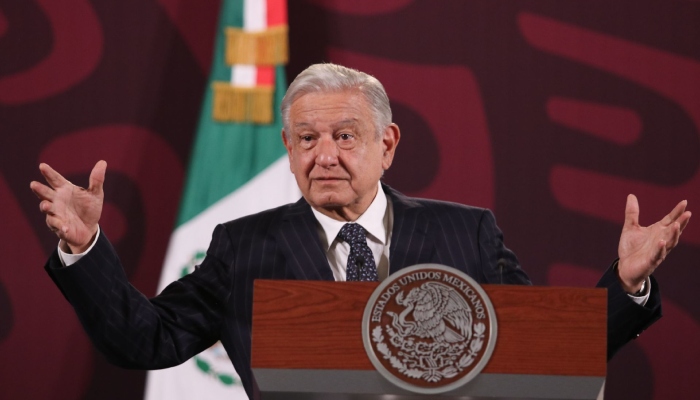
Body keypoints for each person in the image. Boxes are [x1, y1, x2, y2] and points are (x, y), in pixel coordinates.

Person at [31, 64, 691, 399]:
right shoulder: (243, 248)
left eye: (345, 137)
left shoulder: (468, 235)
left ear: (388, 145)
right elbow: (141, 340)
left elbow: (544, 352)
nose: (325, 156)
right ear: (287, 148)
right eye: (307, 139)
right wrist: (84, 249)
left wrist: (626, 284)